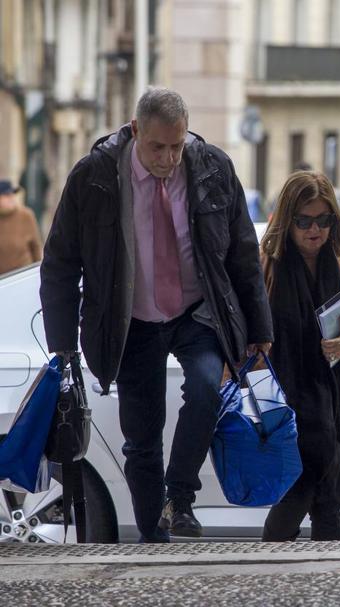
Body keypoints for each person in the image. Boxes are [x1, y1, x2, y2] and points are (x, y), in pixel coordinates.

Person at [39, 87, 273, 542]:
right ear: (134, 132)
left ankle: (179, 496)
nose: (168, 158)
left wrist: (259, 327)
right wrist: (63, 345)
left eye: (176, 145)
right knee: (142, 440)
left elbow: (244, 252)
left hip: (196, 312)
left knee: (208, 388)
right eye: (157, 147)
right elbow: (61, 264)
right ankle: (153, 537)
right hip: (132, 321)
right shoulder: (95, 177)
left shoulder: (212, 168)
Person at [259, 170, 340, 541]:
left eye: (323, 220)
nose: (315, 231)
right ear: (287, 221)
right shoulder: (267, 265)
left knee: (330, 502)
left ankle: (329, 583)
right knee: (296, 494)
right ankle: (268, 574)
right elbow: (243, 337)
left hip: (335, 400)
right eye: (304, 222)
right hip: (284, 401)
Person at [0, 179, 42, 274]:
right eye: (7, 195)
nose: (11, 198)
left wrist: (37, 272)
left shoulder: (26, 216)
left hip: (23, 275)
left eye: (12, 194)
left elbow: (35, 247)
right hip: (2, 280)